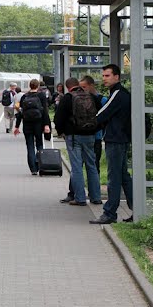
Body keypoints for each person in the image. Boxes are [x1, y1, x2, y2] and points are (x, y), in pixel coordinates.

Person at [90, 64, 135, 224]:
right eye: (103, 76)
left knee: (113, 177)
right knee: (123, 176)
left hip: (115, 140)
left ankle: (109, 213)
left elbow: (101, 115)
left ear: (117, 77)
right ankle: (137, 210)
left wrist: (85, 125)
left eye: (107, 76)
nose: (104, 79)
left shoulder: (117, 94)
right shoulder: (122, 94)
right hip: (121, 139)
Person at [54, 77, 101, 206]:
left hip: (74, 136)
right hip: (90, 135)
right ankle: (96, 197)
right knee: (91, 166)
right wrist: (94, 129)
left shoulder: (68, 98)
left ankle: (80, 198)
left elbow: (58, 118)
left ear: (67, 87)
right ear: (78, 85)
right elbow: (100, 114)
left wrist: (61, 132)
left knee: (77, 167)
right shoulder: (91, 96)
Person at [14, 78, 51, 175]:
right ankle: (40, 165)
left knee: (30, 146)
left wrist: (17, 126)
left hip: (27, 124)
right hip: (38, 124)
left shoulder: (24, 96)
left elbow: (20, 113)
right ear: (38, 86)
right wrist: (47, 125)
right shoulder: (41, 95)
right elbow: (45, 112)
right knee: (39, 144)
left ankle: (33, 169)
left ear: (30, 86)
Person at [80, 75, 108, 175]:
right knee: (80, 165)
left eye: (84, 87)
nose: (82, 90)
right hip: (87, 136)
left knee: (94, 164)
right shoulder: (80, 99)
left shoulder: (102, 100)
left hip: (96, 136)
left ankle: (94, 187)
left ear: (91, 85)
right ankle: (73, 189)